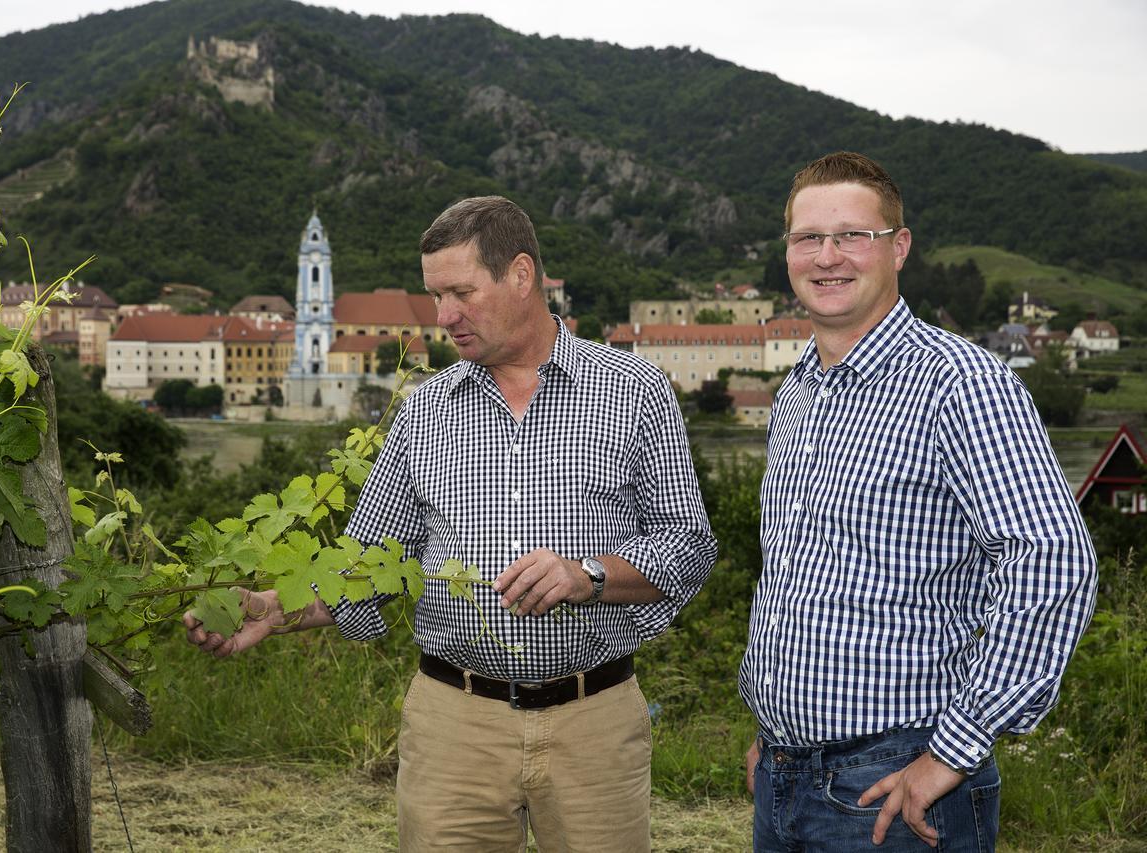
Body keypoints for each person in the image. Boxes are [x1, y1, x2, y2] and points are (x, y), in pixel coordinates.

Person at [185, 195, 716, 851]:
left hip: (595, 722)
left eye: (461, 292)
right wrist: (274, 607)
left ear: (521, 276)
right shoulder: (423, 412)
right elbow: (368, 565)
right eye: (435, 296)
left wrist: (588, 575)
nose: (443, 317)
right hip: (452, 724)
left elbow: (687, 545)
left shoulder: (635, 389)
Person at [740, 152, 1097, 852]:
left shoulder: (959, 384)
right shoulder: (797, 393)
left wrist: (954, 751)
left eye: (853, 235)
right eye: (808, 237)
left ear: (898, 247)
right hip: (784, 778)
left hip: (894, 785)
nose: (828, 255)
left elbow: (1053, 562)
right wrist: (775, 740)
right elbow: (798, 575)